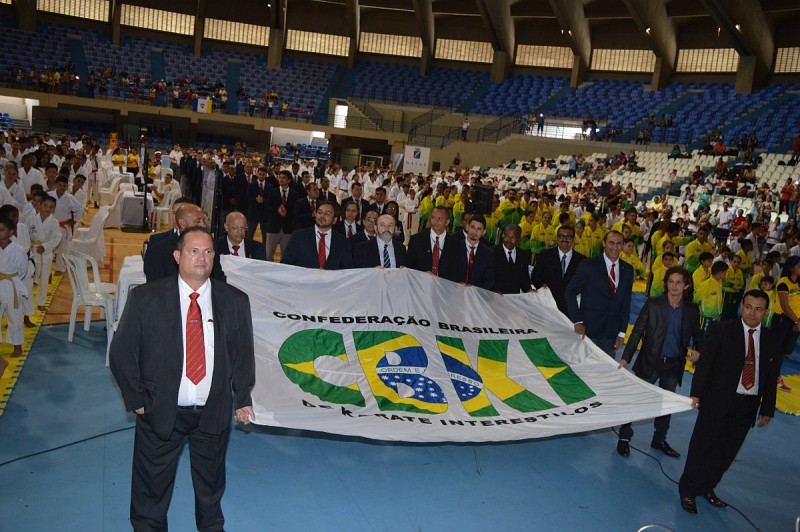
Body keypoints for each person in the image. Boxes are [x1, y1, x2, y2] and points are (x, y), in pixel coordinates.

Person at [109, 227, 256, 531]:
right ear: (177, 256)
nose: (202, 258)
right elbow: (122, 352)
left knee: (211, 483)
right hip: (160, 408)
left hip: (213, 411)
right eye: (193, 251)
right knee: (151, 485)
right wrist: (136, 399)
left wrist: (242, 398)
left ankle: (211, 527)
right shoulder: (146, 298)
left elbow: (243, 354)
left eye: (208, 251)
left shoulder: (234, 301)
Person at [678, 290, 782, 514]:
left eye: (758, 309)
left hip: (747, 406)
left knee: (726, 452)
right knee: (702, 447)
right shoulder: (723, 330)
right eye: (748, 307)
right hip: (717, 401)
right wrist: (696, 394)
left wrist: (767, 408)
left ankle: (707, 487)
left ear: (766, 312)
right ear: (741, 307)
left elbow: (771, 375)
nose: (752, 313)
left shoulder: (771, 339)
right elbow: (706, 364)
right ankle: (688, 490)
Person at [616, 267, 702, 458]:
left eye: (678, 282)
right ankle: (624, 437)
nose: (674, 286)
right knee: (637, 400)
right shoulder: (653, 304)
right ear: (666, 284)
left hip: (673, 365)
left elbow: (698, 336)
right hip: (650, 362)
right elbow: (638, 330)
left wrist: (699, 352)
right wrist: (626, 357)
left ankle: (659, 439)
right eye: (671, 281)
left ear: (686, 286)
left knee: (665, 405)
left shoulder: (691, 310)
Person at [564, 230, 634, 358]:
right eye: (611, 243)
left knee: (605, 368)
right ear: (604, 243)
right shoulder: (588, 265)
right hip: (588, 329)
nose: (615, 247)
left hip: (611, 332)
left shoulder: (628, 270)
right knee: (584, 365)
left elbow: (626, 302)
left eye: (619, 243)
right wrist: (577, 321)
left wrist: (622, 333)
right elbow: (570, 292)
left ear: (623, 245)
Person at [144, 203, 226, 283]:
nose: (203, 225)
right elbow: (154, 285)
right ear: (182, 223)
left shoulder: (211, 245)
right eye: (198, 221)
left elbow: (218, 278)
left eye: (203, 221)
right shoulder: (160, 250)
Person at [532, 225, 586, 316]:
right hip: (547, 306)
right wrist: (542, 286)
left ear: (574, 239)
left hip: (570, 309)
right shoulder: (544, 255)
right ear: (557, 238)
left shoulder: (582, 260)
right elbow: (535, 276)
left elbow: (584, 283)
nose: (564, 239)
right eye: (561, 236)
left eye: (568, 236)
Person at [281, 201, 352, 270]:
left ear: (334, 220)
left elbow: (347, 269)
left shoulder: (343, 241)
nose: (322, 216)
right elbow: (286, 264)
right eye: (319, 212)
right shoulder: (298, 236)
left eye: (327, 214)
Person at [0, 217, 29, 357]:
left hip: (11, 284)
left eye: (2, 230)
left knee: (15, 316)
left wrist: (11, 278)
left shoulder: (18, 250)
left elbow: (23, 270)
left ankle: (17, 346)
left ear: (11, 232)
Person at [407, 206, 458, 279]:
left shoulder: (456, 244)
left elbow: (457, 270)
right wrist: (422, 274)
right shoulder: (416, 240)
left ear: (447, 222)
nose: (435, 221)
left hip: (445, 284)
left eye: (439, 219)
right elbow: (409, 267)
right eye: (433, 218)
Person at [448, 214, 495, 290]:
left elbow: (489, 280)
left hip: (476, 295)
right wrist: (457, 284)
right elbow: (447, 271)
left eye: (479, 229)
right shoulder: (453, 248)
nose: (474, 232)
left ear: (483, 232)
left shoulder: (488, 254)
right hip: (454, 291)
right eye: (472, 227)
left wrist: (473, 289)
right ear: (467, 227)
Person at [264, 170, 297, 262]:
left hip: (287, 229)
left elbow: (296, 210)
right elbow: (267, 207)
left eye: (284, 178)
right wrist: (277, 210)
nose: (281, 179)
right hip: (273, 227)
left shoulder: (294, 194)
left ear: (289, 180)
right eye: (280, 177)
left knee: (286, 255)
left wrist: (287, 212)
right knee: (268, 254)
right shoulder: (272, 192)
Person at [492, 224, 532, 294]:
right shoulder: (492, 252)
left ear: (519, 239)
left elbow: (524, 279)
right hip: (495, 296)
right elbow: (486, 277)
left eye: (513, 238)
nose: (509, 240)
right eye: (506, 236)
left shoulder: (523, 256)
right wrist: (493, 290)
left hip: (514, 298)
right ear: (503, 235)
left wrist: (528, 290)